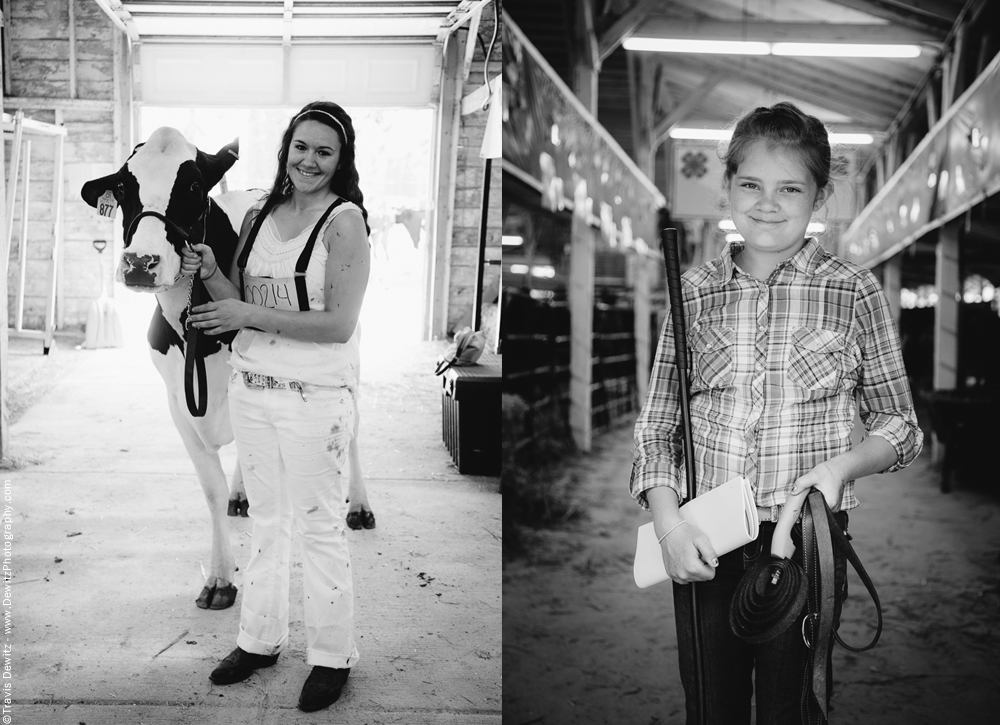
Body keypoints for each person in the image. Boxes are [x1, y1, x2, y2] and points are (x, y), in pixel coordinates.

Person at [630, 102, 923, 724]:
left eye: (791, 186)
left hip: (807, 544)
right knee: (712, 708)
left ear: (820, 197)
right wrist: (669, 528)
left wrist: (843, 466)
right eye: (751, 185)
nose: (768, 203)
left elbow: (901, 425)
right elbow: (658, 429)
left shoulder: (854, 292)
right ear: (727, 189)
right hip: (704, 538)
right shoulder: (692, 295)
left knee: (794, 708)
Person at [180, 100, 371, 713]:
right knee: (265, 521)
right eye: (301, 146)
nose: (309, 160)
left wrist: (244, 315)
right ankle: (259, 640)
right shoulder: (262, 214)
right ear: (286, 147)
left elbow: (339, 324)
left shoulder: (344, 223)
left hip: (313, 398)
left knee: (318, 525)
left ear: (341, 162)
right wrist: (211, 272)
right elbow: (236, 298)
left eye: (324, 151)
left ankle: (331, 655)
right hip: (253, 391)